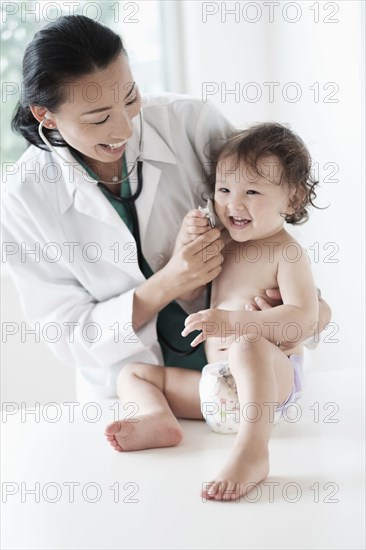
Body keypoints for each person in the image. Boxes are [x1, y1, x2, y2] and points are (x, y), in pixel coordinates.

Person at [2, 14, 330, 401]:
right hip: (134, 390)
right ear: (46, 116)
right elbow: (69, 335)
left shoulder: (189, 122)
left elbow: (268, 210)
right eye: (99, 118)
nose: (124, 128)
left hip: (242, 372)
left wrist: (311, 313)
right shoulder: (24, 197)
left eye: (130, 98)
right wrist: (171, 281)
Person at [105, 122, 329, 502]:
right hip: (215, 390)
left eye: (252, 192)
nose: (233, 204)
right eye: (224, 190)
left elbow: (304, 317)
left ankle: (253, 450)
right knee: (133, 374)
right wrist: (186, 243)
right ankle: (157, 418)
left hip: (270, 385)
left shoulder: (286, 253)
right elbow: (189, 289)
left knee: (247, 346)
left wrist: (234, 323)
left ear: (291, 200)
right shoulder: (223, 241)